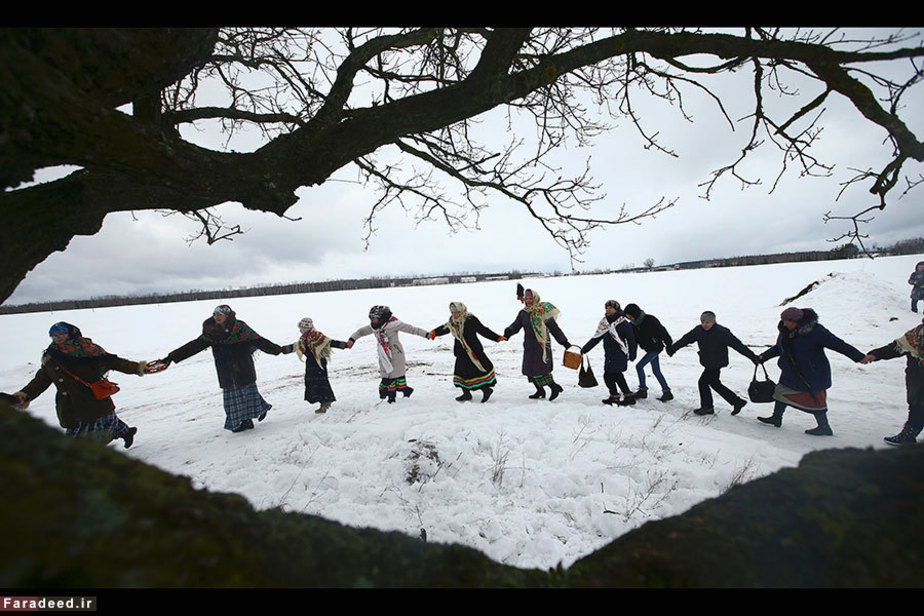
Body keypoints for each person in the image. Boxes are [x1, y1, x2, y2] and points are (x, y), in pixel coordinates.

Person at [8, 322, 152, 448]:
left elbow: (115, 362)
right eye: (54, 335)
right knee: (108, 423)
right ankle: (126, 432)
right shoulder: (50, 357)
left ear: (71, 334)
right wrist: (23, 396)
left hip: (93, 402)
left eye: (61, 334)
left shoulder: (88, 351)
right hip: (69, 407)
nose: (57, 338)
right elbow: (40, 381)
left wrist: (139, 368)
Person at [157, 305, 284, 433]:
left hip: (243, 367)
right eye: (215, 314)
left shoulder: (240, 328)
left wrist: (279, 350)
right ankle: (244, 420)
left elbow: (260, 341)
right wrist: (171, 357)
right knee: (232, 399)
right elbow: (194, 346)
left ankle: (247, 421)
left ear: (227, 316)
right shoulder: (212, 332)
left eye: (220, 315)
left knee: (248, 394)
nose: (217, 317)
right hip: (226, 370)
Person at [756, 307, 865, 436]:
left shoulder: (816, 331)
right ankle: (776, 418)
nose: (784, 324)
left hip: (812, 373)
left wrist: (858, 357)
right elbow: (780, 347)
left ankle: (824, 427)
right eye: (783, 320)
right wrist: (764, 356)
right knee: (780, 392)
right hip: (791, 371)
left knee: (815, 399)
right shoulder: (786, 331)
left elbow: (838, 344)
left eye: (787, 321)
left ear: (796, 321)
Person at [667, 310, 758, 416]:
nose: (704, 325)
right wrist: (673, 348)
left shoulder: (722, 332)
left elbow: (738, 345)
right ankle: (737, 401)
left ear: (713, 322)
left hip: (717, 361)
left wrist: (752, 357)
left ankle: (707, 407)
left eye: (707, 322)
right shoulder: (698, 330)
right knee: (714, 383)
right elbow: (685, 339)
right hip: (707, 361)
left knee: (703, 382)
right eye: (703, 322)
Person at [860, 316, 924, 445]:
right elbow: (895, 347)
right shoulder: (916, 335)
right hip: (917, 380)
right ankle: (909, 434)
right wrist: (875, 355)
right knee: (917, 407)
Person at [347, 305, 430, 403]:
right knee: (387, 376)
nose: (372, 321)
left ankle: (392, 398)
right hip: (383, 354)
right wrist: (352, 340)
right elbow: (360, 332)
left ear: (382, 318)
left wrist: (426, 334)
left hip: (396, 354)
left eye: (374, 318)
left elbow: (412, 329)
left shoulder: (394, 324)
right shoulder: (374, 327)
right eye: (371, 318)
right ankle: (405, 391)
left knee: (392, 377)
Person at [503, 286, 572, 400]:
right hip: (529, 346)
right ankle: (540, 390)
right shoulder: (523, 313)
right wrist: (508, 332)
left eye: (530, 299)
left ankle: (554, 387)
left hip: (542, 345)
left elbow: (555, 329)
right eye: (526, 299)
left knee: (541, 370)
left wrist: (564, 342)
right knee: (529, 369)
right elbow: (516, 325)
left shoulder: (542, 312)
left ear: (536, 298)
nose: (528, 301)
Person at [429, 301, 503, 403]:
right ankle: (466, 394)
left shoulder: (470, 319)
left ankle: (486, 390)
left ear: (462, 310)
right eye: (452, 312)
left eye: (456, 312)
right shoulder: (453, 322)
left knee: (477, 372)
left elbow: (483, 330)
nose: (454, 315)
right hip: (461, 352)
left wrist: (497, 338)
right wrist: (434, 333)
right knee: (461, 373)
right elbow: (445, 328)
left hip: (473, 352)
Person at [281, 317, 349, 414]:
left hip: (319, 363)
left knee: (321, 382)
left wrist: (344, 345)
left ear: (306, 327)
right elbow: (297, 346)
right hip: (310, 363)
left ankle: (326, 403)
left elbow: (329, 342)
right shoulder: (304, 338)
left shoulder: (316, 336)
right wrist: (284, 349)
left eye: (301, 328)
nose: (300, 330)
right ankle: (322, 402)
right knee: (313, 383)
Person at [581, 300, 637, 405]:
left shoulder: (623, 323)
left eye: (610, 308)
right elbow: (597, 338)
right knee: (613, 375)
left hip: (620, 354)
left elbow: (631, 340)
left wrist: (632, 353)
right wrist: (585, 348)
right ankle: (620, 396)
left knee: (613, 375)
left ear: (616, 309)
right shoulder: (605, 323)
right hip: (609, 354)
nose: (608, 309)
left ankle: (622, 396)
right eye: (606, 308)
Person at [623, 303, 674, 402]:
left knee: (639, 366)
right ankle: (667, 392)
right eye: (627, 316)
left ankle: (643, 390)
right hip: (649, 349)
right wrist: (632, 354)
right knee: (656, 370)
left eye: (630, 316)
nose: (629, 318)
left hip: (656, 348)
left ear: (635, 313)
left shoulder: (650, 319)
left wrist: (669, 344)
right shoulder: (632, 326)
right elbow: (633, 342)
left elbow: (662, 331)